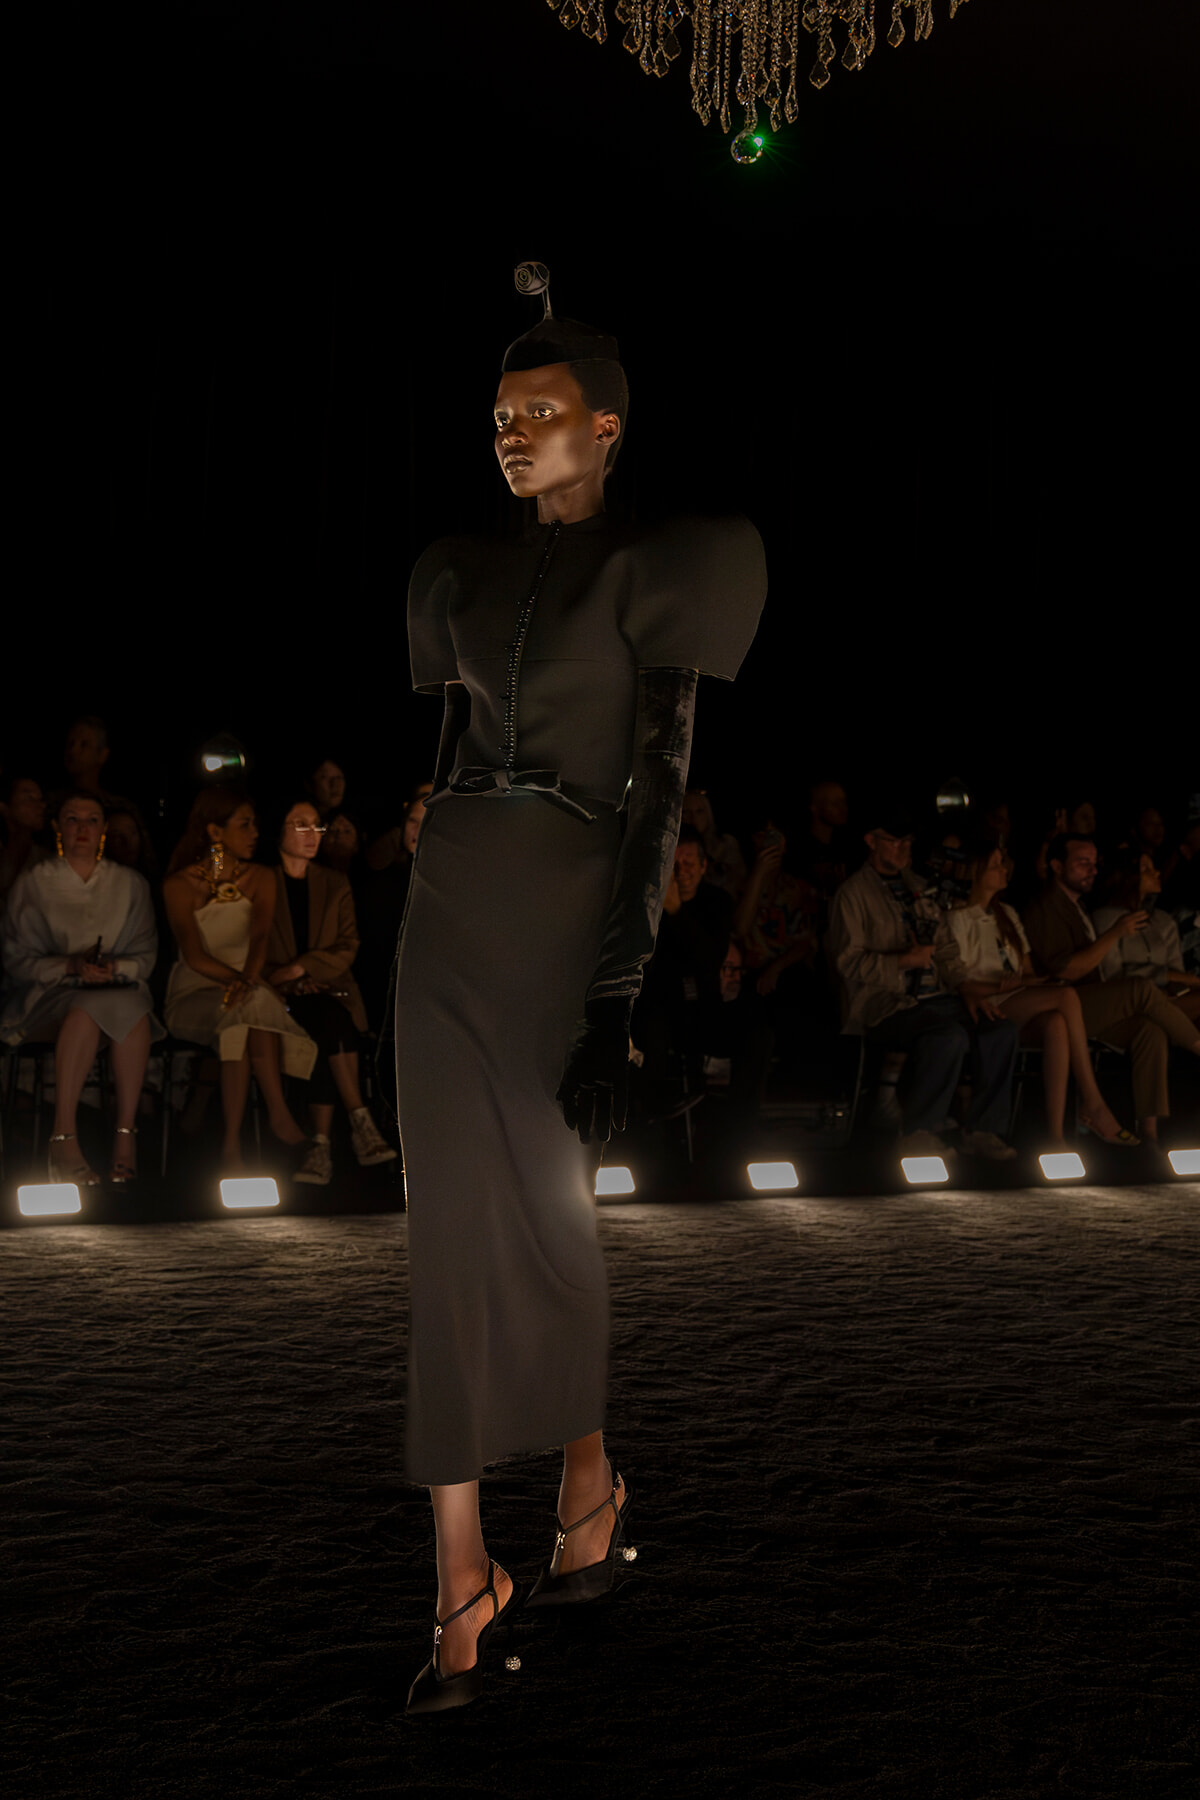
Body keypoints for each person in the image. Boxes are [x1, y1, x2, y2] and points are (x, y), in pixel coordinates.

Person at [392, 265, 765, 1714]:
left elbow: (662, 796)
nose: (513, 431)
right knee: (444, 1240)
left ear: (609, 428)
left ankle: (591, 1481)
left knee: (550, 1219)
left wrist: (618, 992)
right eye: (500, 413)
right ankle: (459, 1581)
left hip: (567, 907)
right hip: (450, 908)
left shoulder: (663, 566)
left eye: (542, 412)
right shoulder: (455, 573)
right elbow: (441, 765)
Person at [826, 803, 1020, 1162]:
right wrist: (903, 961)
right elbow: (847, 962)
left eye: (908, 841)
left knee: (999, 1028)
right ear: (871, 841)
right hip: (885, 1003)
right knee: (947, 1035)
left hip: (937, 998)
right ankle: (919, 1130)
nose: (903, 847)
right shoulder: (853, 895)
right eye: (894, 841)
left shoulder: (921, 889)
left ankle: (983, 1129)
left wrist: (967, 990)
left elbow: (946, 949)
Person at [0, 790, 163, 1184]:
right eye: (72, 819)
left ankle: (126, 1135)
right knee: (84, 1014)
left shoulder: (129, 883)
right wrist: (70, 965)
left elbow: (145, 954)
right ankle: (63, 1135)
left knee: (132, 1009)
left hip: (117, 990)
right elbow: (17, 959)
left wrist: (114, 968)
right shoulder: (35, 883)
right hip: (53, 996)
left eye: (92, 819)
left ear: (104, 828)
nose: (82, 828)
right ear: (58, 826)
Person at [939, 840, 1138, 1146]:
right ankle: (1093, 1101)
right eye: (995, 865)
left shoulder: (1006, 914)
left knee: (1056, 1024)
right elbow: (958, 980)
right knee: (1067, 996)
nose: (1004, 870)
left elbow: (1029, 969)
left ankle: (1055, 1135)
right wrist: (1006, 984)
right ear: (975, 872)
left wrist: (1025, 982)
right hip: (983, 1000)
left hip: (1016, 995)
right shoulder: (956, 917)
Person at [163, 788, 316, 1171]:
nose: (254, 833)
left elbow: (260, 937)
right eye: (244, 824)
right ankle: (278, 1115)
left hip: (245, 986)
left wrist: (247, 980)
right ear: (215, 831)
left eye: (255, 824)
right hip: (195, 991)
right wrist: (241, 983)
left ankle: (232, 1143)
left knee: (239, 1022)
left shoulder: (262, 877)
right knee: (249, 1008)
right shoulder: (178, 885)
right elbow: (195, 955)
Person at [1021, 834, 1200, 1147]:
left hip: (1087, 1002)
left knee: (1150, 1030)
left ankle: (1150, 1134)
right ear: (1057, 866)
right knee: (1140, 989)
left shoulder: (1077, 906)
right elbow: (1065, 971)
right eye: (1082, 863)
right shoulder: (1046, 905)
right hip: (1061, 1005)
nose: (1092, 870)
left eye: (1094, 864)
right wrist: (1117, 933)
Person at [264, 798, 396, 1183]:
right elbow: (249, 948)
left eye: (317, 826)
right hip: (280, 997)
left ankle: (320, 1146)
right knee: (327, 1024)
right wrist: (289, 979)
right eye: (300, 825)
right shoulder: (261, 881)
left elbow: (347, 945)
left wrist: (303, 967)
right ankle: (359, 1121)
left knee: (328, 1021)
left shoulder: (334, 882)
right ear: (279, 830)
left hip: (330, 989)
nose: (313, 834)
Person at [1093, 848, 1200, 1026]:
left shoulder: (1163, 920)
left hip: (1169, 998)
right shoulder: (1106, 919)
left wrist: (1178, 981)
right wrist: (1166, 976)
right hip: (1130, 1002)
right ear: (1126, 875)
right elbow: (1112, 975)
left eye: (1153, 867)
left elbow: (1178, 971)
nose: (1156, 872)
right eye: (1145, 869)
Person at [680, 787, 745, 897]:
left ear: (708, 814)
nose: (693, 817)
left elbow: (741, 883)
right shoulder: (676, 851)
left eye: (699, 811)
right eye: (686, 812)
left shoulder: (726, 845)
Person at [0, 774, 50, 911]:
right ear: (4, 807)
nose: (40, 806)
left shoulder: (48, 860)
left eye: (40, 800)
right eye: (29, 798)